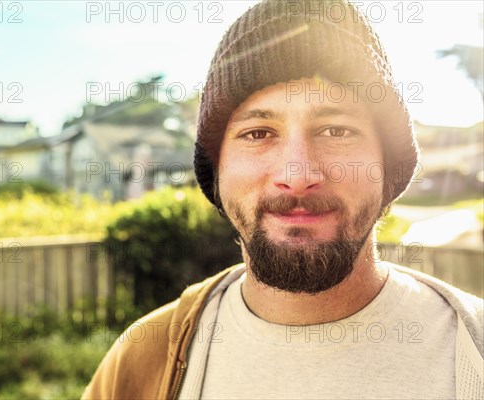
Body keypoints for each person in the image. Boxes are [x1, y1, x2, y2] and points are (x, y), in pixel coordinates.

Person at [82, 1, 483, 398]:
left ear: (388, 162)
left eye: (336, 131)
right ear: (216, 167)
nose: (297, 175)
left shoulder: (474, 348)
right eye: (258, 133)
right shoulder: (144, 362)